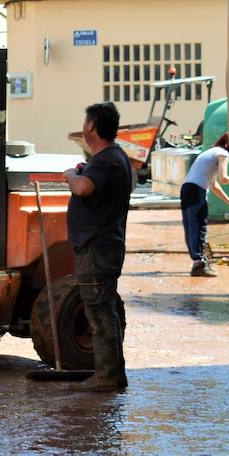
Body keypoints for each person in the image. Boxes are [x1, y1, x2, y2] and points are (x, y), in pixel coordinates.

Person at [63, 102, 134, 392]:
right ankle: (113, 373)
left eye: (85, 120)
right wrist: (84, 169)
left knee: (99, 312)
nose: (83, 125)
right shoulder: (111, 158)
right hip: (102, 247)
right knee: (103, 310)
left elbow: (82, 188)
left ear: (91, 126)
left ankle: (107, 376)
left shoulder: (106, 160)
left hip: (97, 249)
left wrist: (71, 175)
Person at [180, 133, 229, 277]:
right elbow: (223, 179)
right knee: (199, 226)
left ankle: (197, 262)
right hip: (196, 191)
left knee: (191, 226)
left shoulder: (211, 152)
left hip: (186, 189)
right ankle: (199, 264)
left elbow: (215, 185)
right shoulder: (223, 154)